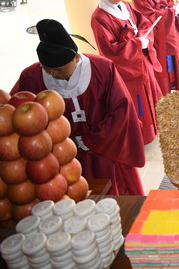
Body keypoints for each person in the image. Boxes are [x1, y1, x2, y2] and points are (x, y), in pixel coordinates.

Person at [11, 19, 146, 195]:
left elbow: (121, 110)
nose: (53, 74)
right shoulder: (31, 76)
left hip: (105, 151)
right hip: (60, 156)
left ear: (76, 57)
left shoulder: (103, 69)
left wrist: (92, 139)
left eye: (59, 70)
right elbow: (15, 112)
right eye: (47, 69)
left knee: (114, 196)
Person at [90, 0, 163, 145]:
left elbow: (143, 22)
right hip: (126, 70)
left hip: (141, 62)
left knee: (151, 94)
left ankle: (156, 128)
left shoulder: (125, 6)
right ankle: (140, 135)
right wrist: (137, 44)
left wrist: (144, 37)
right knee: (137, 102)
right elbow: (110, 49)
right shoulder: (99, 17)